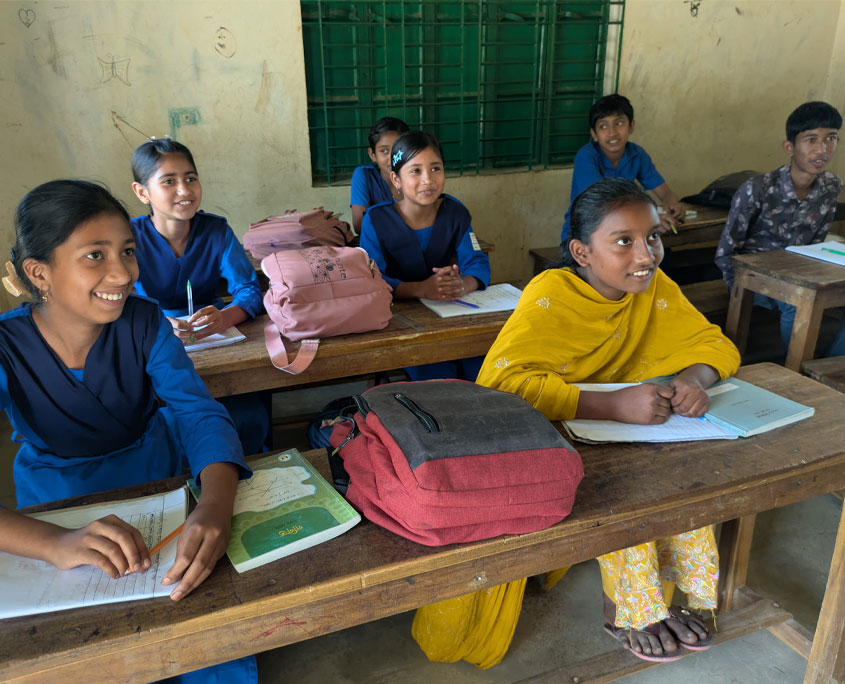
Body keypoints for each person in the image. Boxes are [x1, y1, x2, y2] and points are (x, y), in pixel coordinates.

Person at [413, 178, 740, 667]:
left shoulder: (654, 288)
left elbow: (715, 345)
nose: (646, 255)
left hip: (633, 430)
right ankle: (632, 608)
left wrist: (695, 378)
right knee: (623, 496)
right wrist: (611, 406)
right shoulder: (552, 294)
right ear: (581, 252)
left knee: (683, 481)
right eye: (623, 241)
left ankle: (672, 596)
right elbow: (502, 387)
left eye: (653, 237)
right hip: (554, 438)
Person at [0, 179, 256, 682]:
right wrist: (55, 543)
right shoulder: (7, 347)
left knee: (203, 638)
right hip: (56, 498)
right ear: (39, 272)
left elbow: (197, 413)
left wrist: (214, 504)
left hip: (156, 483)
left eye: (127, 251)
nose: (122, 272)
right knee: (84, 651)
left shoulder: (145, 324)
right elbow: (56, 541)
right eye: (95, 255)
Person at [130, 138, 270, 455]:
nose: (185, 190)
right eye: (169, 181)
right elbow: (126, 301)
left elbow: (248, 290)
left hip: (216, 334)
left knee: (246, 415)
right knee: (174, 421)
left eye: (190, 178)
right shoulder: (129, 238)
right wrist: (162, 323)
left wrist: (224, 317)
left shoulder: (216, 230)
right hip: (155, 338)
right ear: (142, 192)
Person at [715, 101, 845, 357]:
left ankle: (831, 367)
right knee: (794, 304)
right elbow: (726, 252)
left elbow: (817, 242)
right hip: (752, 277)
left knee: (804, 295)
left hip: (803, 274)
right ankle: (794, 372)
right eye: (811, 140)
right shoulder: (757, 188)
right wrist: (741, 288)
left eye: (831, 138)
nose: (822, 149)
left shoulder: (831, 185)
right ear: (789, 147)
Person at [359, 130, 491, 381]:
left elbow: (476, 261)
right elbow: (373, 280)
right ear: (396, 179)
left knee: (482, 370)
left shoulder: (456, 213)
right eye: (416, 171)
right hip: (403, 323)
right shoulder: (376, 220)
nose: (428, 180)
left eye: (436, 168)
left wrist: (462, 283)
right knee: (438, 377)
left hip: (453, 314)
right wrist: (421, 289)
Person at [561, 94, 684, 241]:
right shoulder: (586, 156)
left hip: (623, 233)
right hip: (585, 234)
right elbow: (602, 203)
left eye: (619, 123)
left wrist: (674, 205)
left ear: (631, 126)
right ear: (594, 134)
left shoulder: (636, 154)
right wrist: (651, 218)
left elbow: (664, 193)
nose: (612, 133)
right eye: (603, 126)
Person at [350, 116, 410, 233]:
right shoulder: (364, 175)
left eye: (398, 150)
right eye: (384, 151)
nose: (392, 158)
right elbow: (359, 225)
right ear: (372, 154)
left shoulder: (416, 175)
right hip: (378, 247)